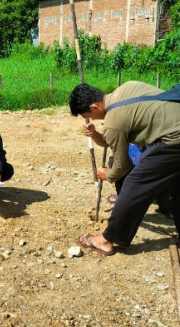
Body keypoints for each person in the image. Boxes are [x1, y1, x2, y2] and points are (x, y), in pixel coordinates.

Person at [69, 80, 180, 255]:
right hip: (173, 127)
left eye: (88, 115)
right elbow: (110, 139)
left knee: (136, 183)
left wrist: (108, 175)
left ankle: (107, 239)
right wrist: (96, 133)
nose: (94, 119)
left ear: (95, 106)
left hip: (174, 139)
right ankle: (169, 208)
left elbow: (122, 165)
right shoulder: (128, 87)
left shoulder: (113, 121)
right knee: (173, 181)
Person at [83, 124, 173, 217]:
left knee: (160, 186)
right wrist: (94, 134)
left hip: (154, 165)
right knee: (115, 162)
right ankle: (125, 201)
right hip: (132, 161)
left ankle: (166, 207)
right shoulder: (121, 123)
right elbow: (106, 142)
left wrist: (108, 175)